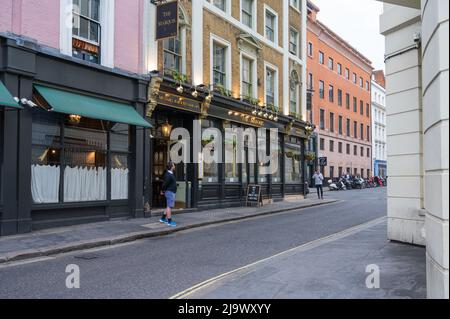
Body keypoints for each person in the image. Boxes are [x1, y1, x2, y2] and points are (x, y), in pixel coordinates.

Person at [159, 161, 177, 227]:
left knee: (168, 206)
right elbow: (165, 184)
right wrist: (162, 190)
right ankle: (169, 221)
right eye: (174, 165)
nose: (174, 166)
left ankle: (163, 218)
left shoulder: (170, 173)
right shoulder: (169, 175)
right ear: (171, 167)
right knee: (169, 207)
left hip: (170, 192)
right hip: (170, 192)